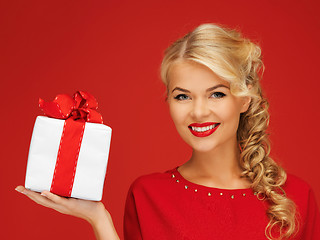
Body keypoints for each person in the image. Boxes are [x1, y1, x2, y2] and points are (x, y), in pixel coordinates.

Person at [15, 23, 320, 240]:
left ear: (244, 97)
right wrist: (98, 218)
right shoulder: (148, 195)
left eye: (216, 94)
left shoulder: (296, 198)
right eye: (182, 96)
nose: (198, 112)